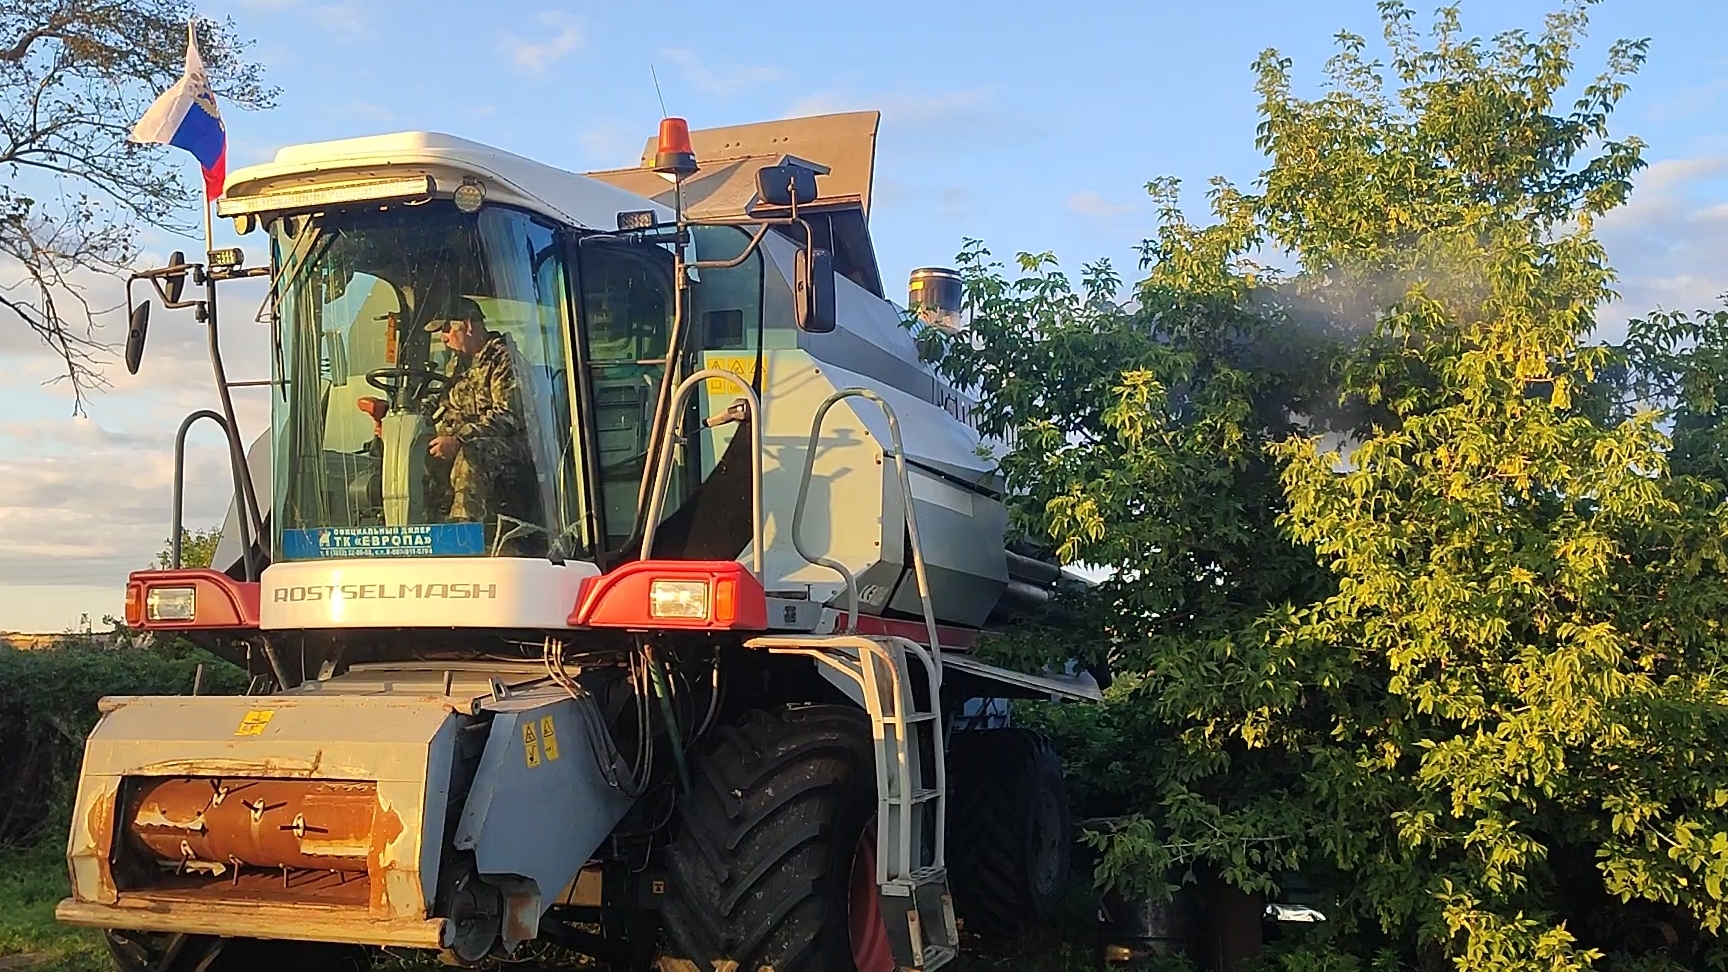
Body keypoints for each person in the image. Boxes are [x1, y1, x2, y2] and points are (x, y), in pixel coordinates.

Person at [420, 297, 537, 541]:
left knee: (470, 453)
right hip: (473, 441)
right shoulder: (457, 365)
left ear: (468, 325)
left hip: (515, 448)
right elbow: (444, 406)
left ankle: (461, 536)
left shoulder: (504, 360)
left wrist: (458, 439)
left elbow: (509, 416)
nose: (443, 337)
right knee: (418, 452)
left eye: (447, 329)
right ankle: (424, 537)